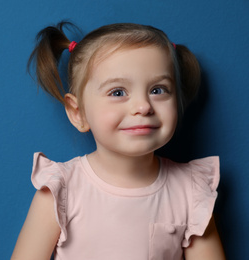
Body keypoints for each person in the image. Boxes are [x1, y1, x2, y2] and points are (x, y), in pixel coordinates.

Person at [11, 22, 225, 260]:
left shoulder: (191, 192)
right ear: (78, 113)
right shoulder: (61, 191)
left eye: (158, 90)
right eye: (118, 92)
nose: (143, 106)